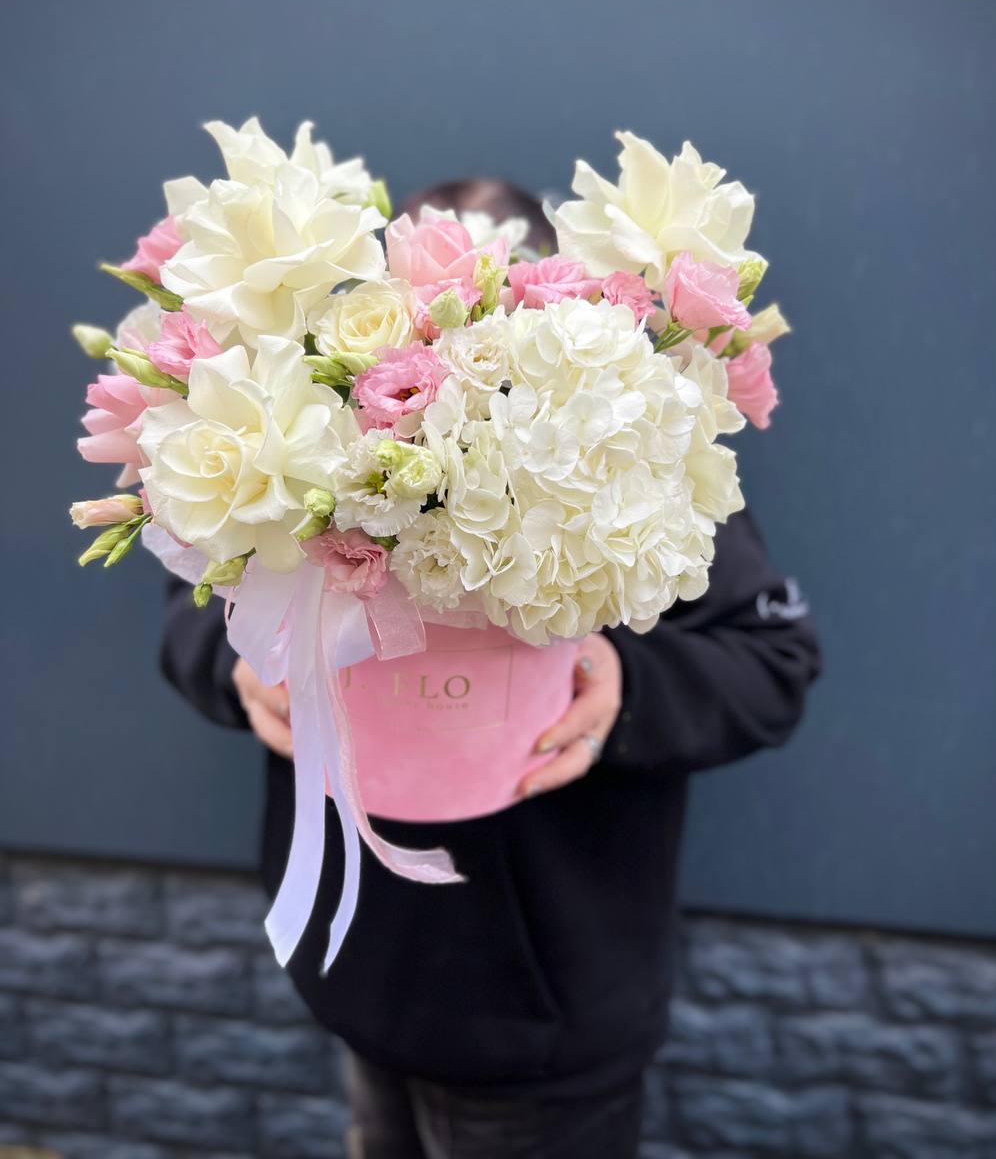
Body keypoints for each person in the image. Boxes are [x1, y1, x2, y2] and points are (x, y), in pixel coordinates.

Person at [160, 180, 822, 1159]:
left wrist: (624, 683)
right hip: (356, 973)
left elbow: (774, 660)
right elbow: (187, 607)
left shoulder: (644, 461)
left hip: (548, 1024)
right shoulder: (305, 440)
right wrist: (243, 664)